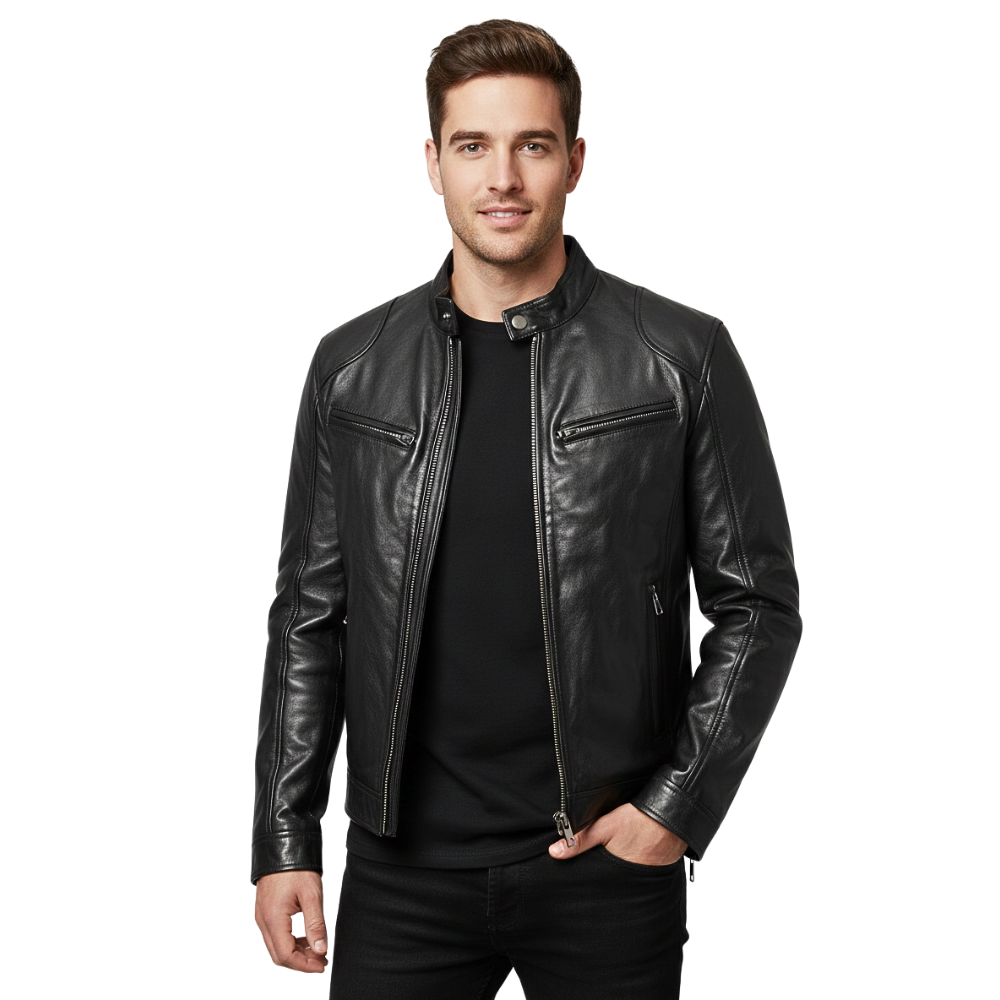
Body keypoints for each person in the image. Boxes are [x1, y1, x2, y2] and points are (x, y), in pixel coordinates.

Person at [251, 18, 801, 999]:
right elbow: (309, 616)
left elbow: (757, 606)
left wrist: (671, 809)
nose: (501, 177)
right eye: (473, 146)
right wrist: (284, 837)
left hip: (604, 867)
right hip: (402, 871)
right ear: (432, 163)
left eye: (532, 145)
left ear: (575, 161)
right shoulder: (352, 369)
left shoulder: (678, 358)